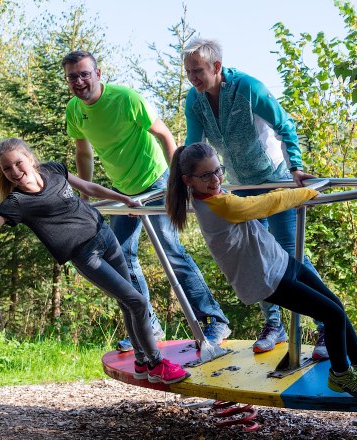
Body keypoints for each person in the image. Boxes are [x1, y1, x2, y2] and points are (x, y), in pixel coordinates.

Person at [0, 138, 189, 385]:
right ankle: (155, 364)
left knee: (129, 302)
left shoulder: (53, 169)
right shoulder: (16, 203)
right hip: (85, 256)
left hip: (106, 236)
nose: (14, 171)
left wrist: (122, 199)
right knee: (137, 301)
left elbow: (86, 186)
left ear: (30, 158)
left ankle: (142, 360)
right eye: (6, 168)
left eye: (18, 163)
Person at [166, 142, 357, 397]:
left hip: (279, 262)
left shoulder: (213, 195)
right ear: (188, 180)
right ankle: (340, 375)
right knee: (332, 314)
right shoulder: (221, 205)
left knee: (336, 306)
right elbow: (268, 202)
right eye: (206, 175)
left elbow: (257, 200)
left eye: (218, 170)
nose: (215, 179)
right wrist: (306, 193)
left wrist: (296, 179)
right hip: (267, 279)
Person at [62, 50, 231, 351]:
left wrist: (180, 181)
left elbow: (165, 135)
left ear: (98, 74)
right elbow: (83, 152)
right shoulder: (75, 110)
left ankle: (214, 319)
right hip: (122, 191)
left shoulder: (126, 98)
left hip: (155, 182)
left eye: (85, 74)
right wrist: (84, 195)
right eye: (73, 76)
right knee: (121, 257)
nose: (79, 81)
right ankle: (150, 324)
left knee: (171, 252)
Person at [181, 37, 327, 358]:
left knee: (292, 254)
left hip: (274, 179)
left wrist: (297, 169)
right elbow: (194, 148)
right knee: (254, 257)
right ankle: (273, 325)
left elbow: (284, 125)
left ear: (216, 67)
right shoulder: (195, 100)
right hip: (239, 185)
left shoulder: (249, 88)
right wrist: (185, 184)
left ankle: (325, 327)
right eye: (189, 71)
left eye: (198, 71)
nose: (192, 78)